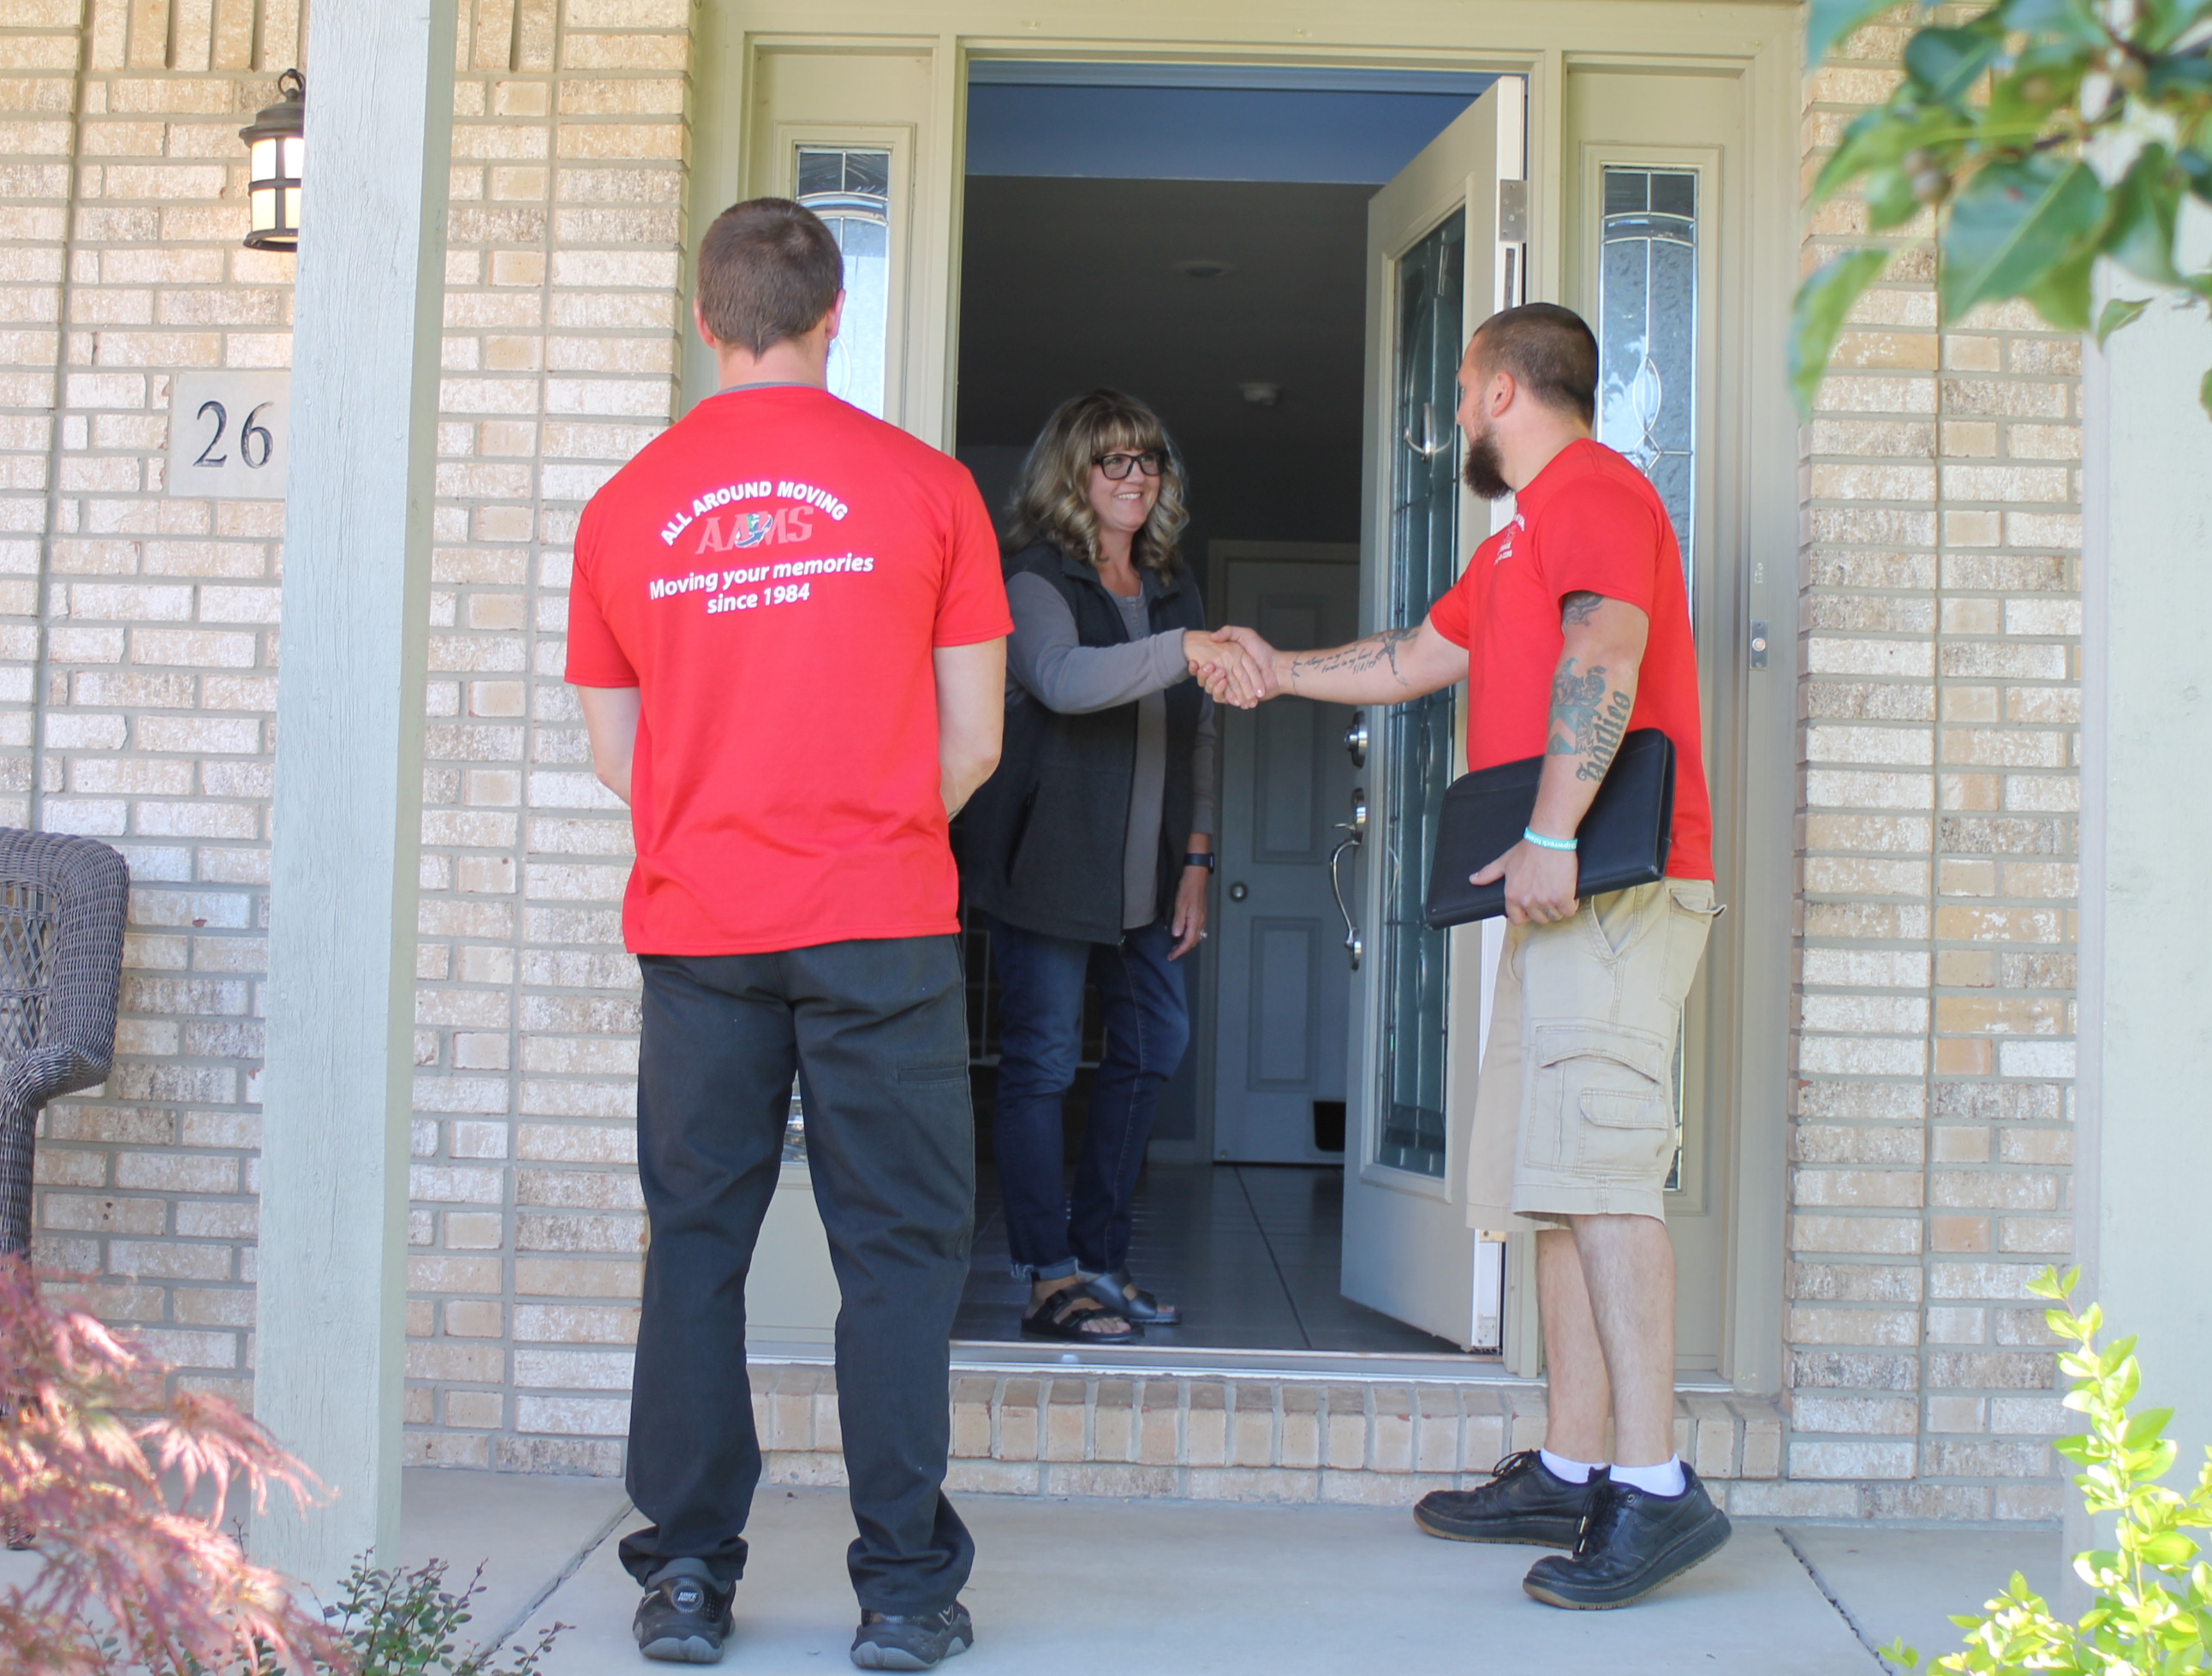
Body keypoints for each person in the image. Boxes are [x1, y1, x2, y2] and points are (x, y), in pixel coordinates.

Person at [1208, 301, 1726, 1611]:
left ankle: (1655, 1484)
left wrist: (1552, 831)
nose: (1450, 416)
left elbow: (1608, 648)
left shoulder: (1594, 491)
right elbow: (1408, 661)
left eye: (1457, 392)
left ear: (1502, 390)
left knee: (1605, 1178)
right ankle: (1571, 1463)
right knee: (1554, 1185)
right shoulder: (1514, 543)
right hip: (1560, 901)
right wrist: (1278, 668)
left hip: (1612, 886)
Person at [567, 197, 1010, 1670]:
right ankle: (903, 1591)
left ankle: (687, 1577)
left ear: (706, 320)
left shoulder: (625, 508)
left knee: (698, 1244)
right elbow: (973, 741)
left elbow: (616, 749)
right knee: (897, 1253)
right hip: (881, 926)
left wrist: (724, 823)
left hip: (702, 932)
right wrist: (864, 829)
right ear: (834, 316)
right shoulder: (930, 489)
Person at [955, 391, 1260, 1344]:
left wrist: (1198, 857)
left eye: (1148, 460)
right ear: (1073, 474)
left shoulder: (1171, 584)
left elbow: (1198, 732)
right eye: (1112, 460)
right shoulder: (1035, 580)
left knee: (1154, 1046)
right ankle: (1048, 1279)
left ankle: (1099, 1261)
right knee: (1042, 1065)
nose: (1135, 477)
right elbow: (1061, 680)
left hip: (1152, 877)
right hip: (1047, 867)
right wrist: (1183, 649)